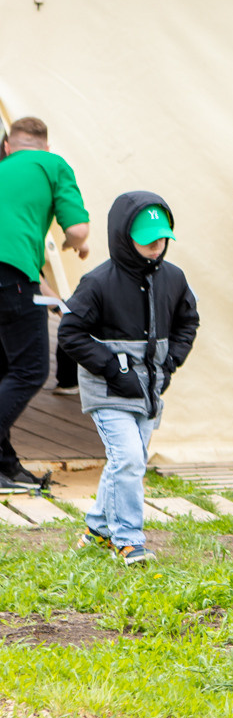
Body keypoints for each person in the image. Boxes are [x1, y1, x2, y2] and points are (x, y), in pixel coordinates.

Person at [61, 193, 198, 566]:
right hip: (109, 391)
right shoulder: (97, 282)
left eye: (162, 239)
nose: (157, 248)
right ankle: (128, 539)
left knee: (126, 461)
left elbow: (189, 321)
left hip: (149, 391)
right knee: (130, 459)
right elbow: (70, 333)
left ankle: (97, 528)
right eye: (148, 240)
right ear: (124, 237)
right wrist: (111, 367)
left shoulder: (173, 278)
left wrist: (171, 362)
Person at [0, 117, 90, 492]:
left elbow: (21, 259)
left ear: (7, 146)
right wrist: (77, 245)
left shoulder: (3, 171)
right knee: (31, 370)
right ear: (46, 148)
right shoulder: (53, 165)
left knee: (3, 371)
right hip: (10, 280)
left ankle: (5, 467)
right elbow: (78, 230)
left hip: (14, 277)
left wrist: (54, 297)